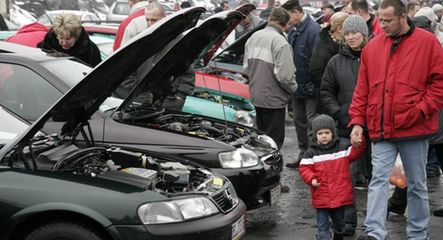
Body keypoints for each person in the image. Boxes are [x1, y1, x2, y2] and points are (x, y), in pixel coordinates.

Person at [347, 0, 443, 239]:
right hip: (381, 127)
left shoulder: (428, 42)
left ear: (403, 17)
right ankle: (375, 232)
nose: (382, 24)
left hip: (414, 128)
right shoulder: (372, 47)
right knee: (378, 179)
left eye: (388, 20)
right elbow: (362, 89)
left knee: (417, 183)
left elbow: (439, 84)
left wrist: (420, 110)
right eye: (380, 19)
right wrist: (357, 122)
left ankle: (418, 233)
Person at [320, 15, 371, 237]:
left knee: (378, 178)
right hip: (345, 128)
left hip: (376, 128)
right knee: (346, 178)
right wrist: (340, 114)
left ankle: (375, 223)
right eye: (347, 33)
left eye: (354, 33)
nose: (350, 37)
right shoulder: (335, 61)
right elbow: (326, 92)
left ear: (364, 34)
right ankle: (348, 222)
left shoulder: (376, 56)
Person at [113, 3, 194, 111]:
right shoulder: (140, 40)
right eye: (148, 20)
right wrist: (136, 92)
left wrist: (180, 97)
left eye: (154, 20)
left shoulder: (179, 42)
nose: (150, 24)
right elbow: (127, 69)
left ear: (165, 18)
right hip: (138, 101)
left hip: (167, 102)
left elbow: (187, 72)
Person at [299, 114, 366, 240]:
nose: (324, 136)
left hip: (340, 196)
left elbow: (355, 152)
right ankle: (323, 236)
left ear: (333, 133)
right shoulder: (311, 153)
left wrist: (359, 143)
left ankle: (338, 233)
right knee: (322, 225)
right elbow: (304, 168)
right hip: (321, 195)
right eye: (320, 133)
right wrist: (312, 179)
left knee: (339, 223)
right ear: (315, 135)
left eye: (327, 132)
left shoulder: (342, 149)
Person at [243, 7, 297, 149]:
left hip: (257, 96)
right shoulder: (280, 42)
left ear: (270, 19)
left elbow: (246, 69)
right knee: (273, 144)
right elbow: (285, 76)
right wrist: (293, 89)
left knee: (260, 141)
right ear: (285, 24)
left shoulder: (253, 37)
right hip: (274, 100)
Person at [282, 0, 320, 168]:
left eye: (289, 17)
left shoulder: (313, 30)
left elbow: (317, 60)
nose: (288, 21)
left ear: (296, 12)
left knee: (312, 122)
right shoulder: (293, 31)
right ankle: (303, 154)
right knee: (299, 121)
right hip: (297, 86)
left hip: (310, 86)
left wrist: (313, 83)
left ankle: (313, 156)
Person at [310, 12, 349, 114]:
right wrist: (330, 88)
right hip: (328, 101)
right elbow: (315, 72)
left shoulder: (339, 44)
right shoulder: (325, 45)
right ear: (340, 29)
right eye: (348, 28)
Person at [37, 13, 101, 68]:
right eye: (61, 38)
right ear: (56, 35)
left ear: (77, 36)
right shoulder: (43, 47)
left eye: (68, 39)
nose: (64, 43)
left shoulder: (91, 50)